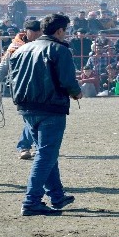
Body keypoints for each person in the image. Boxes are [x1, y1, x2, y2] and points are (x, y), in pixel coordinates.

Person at [9, 13, 81, 216]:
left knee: (46, 152)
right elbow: (68, 81)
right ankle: (31, 201)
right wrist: (77, 93)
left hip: (27, 107)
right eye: (65, 30)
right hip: (51, 107)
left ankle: (56, 196)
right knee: (46, 154)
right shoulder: (60, 50)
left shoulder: (22, 49)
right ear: (59, 31)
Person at [0, 20, 43, 160]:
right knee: (30, 117)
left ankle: (28, 146)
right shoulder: (14, 47)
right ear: (27, 31)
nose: (37, 34)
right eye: (34, 31)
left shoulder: (44, 45)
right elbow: (4, 66)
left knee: (34, 117)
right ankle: (28, 146)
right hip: (20, 88)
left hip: (40, 87)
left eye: (39, 31)